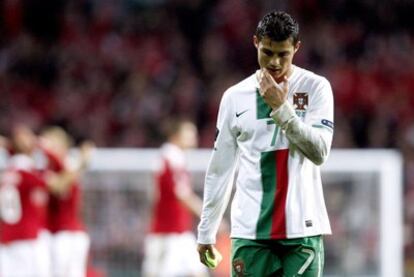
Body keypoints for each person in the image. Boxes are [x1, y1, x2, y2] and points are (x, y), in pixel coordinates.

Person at [197, 11, 334, 277]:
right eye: (267, 52)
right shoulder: (234, 97)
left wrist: (281, 108)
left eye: (283, 54)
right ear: (255, 42)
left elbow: (320, 152)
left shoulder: (316, 88)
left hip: (302, 231)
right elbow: (220, 169)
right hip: (250, 232)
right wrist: (206, 229)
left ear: (296, 48)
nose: (274, 62)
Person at [142, 119, 208, 277]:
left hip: (174, 230)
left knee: (197, 271)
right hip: (169, 232)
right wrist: (207, 216)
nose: (194, 137)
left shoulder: (164, 158)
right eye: (189, 133)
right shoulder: (173, 158)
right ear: (175, 136)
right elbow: (182, 194)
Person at [39, 126, 93, 277]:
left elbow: (60, 187)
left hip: (65, 235)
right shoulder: (69, 167)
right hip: (64, 234)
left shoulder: (65, 167)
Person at [0, 125, 52, 277]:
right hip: (27, 240)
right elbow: (59, 186)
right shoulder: (31, 176)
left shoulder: (6, 174)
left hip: (6, 240)